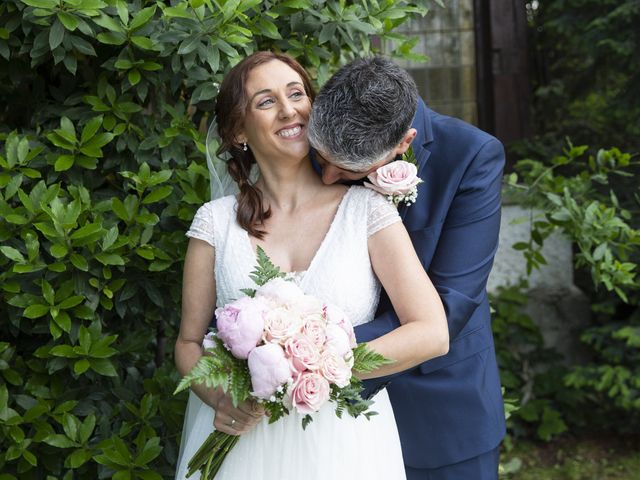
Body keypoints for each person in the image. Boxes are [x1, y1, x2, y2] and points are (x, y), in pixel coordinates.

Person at [174, 51, 449, 480]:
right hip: (246, 446)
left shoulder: (367, 211)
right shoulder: (215, 223)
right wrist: (219, 397)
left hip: (347, 445)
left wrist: (320, 366)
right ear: (238, 131)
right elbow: (188, 344)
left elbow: (432, 332)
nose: (289, 110)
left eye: (297, 93)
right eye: (265, 101)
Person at [307, 57, 507, 480]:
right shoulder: (317, 138)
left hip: (440, 410)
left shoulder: (472, 157)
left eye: (345, 171)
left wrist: (308, 356)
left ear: (404, 143)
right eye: (321, 159)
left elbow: (453, 302)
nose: (325, 178)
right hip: (321, 424)